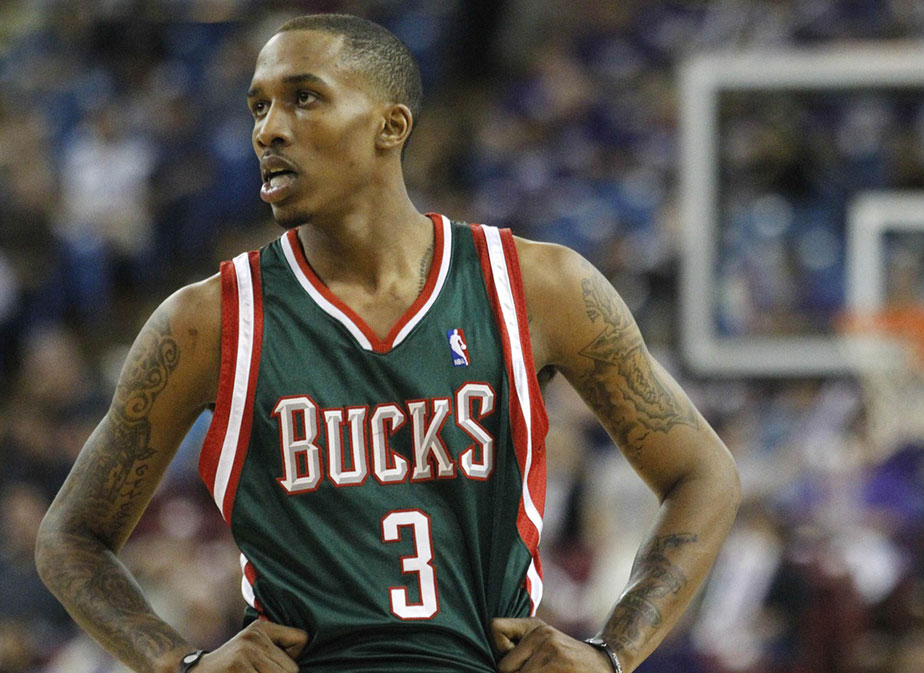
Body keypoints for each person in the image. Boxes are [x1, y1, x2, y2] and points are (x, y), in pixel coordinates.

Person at [35, 13, 739, 673]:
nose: (268, 131)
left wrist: (614, 652)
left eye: (303, 98)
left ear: (390, 125)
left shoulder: (535, 286)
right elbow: (68, 536)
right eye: (258, 107)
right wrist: (177, 661)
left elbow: (705, 475)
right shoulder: (207, 321)